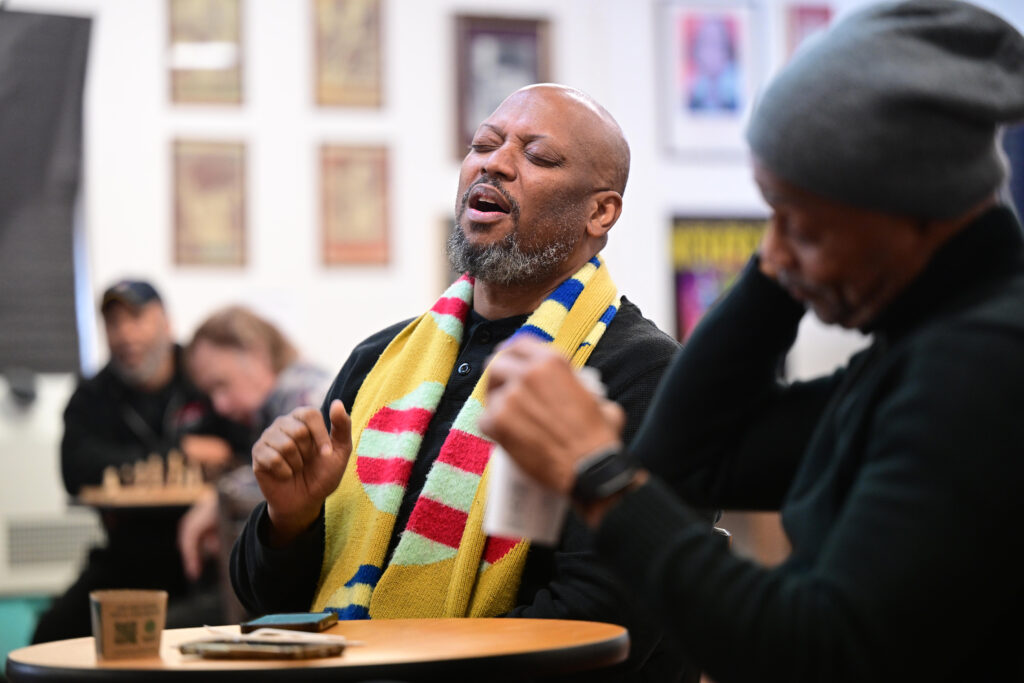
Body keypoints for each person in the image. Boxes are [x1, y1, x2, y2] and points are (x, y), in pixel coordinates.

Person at [480, 3, 1024, 682]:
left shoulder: (984, 366)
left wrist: (597, 472)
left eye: (803, 226)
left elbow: (811, 648)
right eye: (772, 216)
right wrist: (778, 275)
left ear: (912, 212)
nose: (772, 255)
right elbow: (692, 462)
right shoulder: (914, 350)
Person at [230, 84, 687, 680]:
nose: (494, 163)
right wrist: (290, 520)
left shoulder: (640, 372)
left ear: (600, 212)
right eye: (483, 144)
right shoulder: (380, 360)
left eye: (538, 157)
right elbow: (267, 606)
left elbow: (608, 619)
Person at [33, 280, 250, 643]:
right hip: (127, 554)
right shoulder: (93, 394)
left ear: (166, 323)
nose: (125, 334)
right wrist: (178, 452)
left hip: (203, 556)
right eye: (113, 323)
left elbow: (245, 446)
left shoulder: (201, 374)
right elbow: (75, 468)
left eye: (136, 318)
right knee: (50, 635)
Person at [177, 306, 332, 617]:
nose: (219, 405)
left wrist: (218, 498)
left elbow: (298, 477)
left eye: (221, 385)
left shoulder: (301, 395)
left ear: (254, 353)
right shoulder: (287, 396)